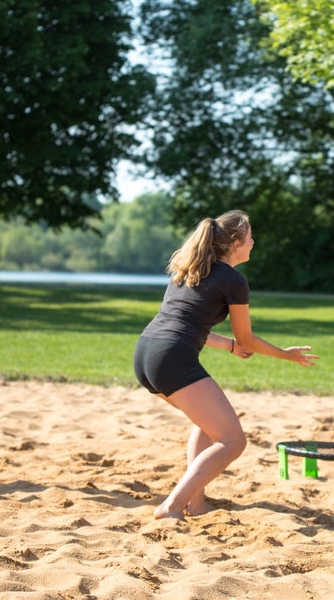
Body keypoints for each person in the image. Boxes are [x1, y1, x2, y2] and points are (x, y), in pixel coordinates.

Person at [133, 210, 318, 519]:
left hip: (146, 353)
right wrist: (286, 354)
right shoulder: (233, 280)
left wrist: (230, 346)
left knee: (208, 425)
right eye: (250, 238)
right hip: (171, 358)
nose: (253, 242)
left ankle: (195, 504)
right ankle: (171, 507)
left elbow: (186, 326)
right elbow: (247, 339)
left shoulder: (189, 270)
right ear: (235, 244)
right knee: (233, 441)